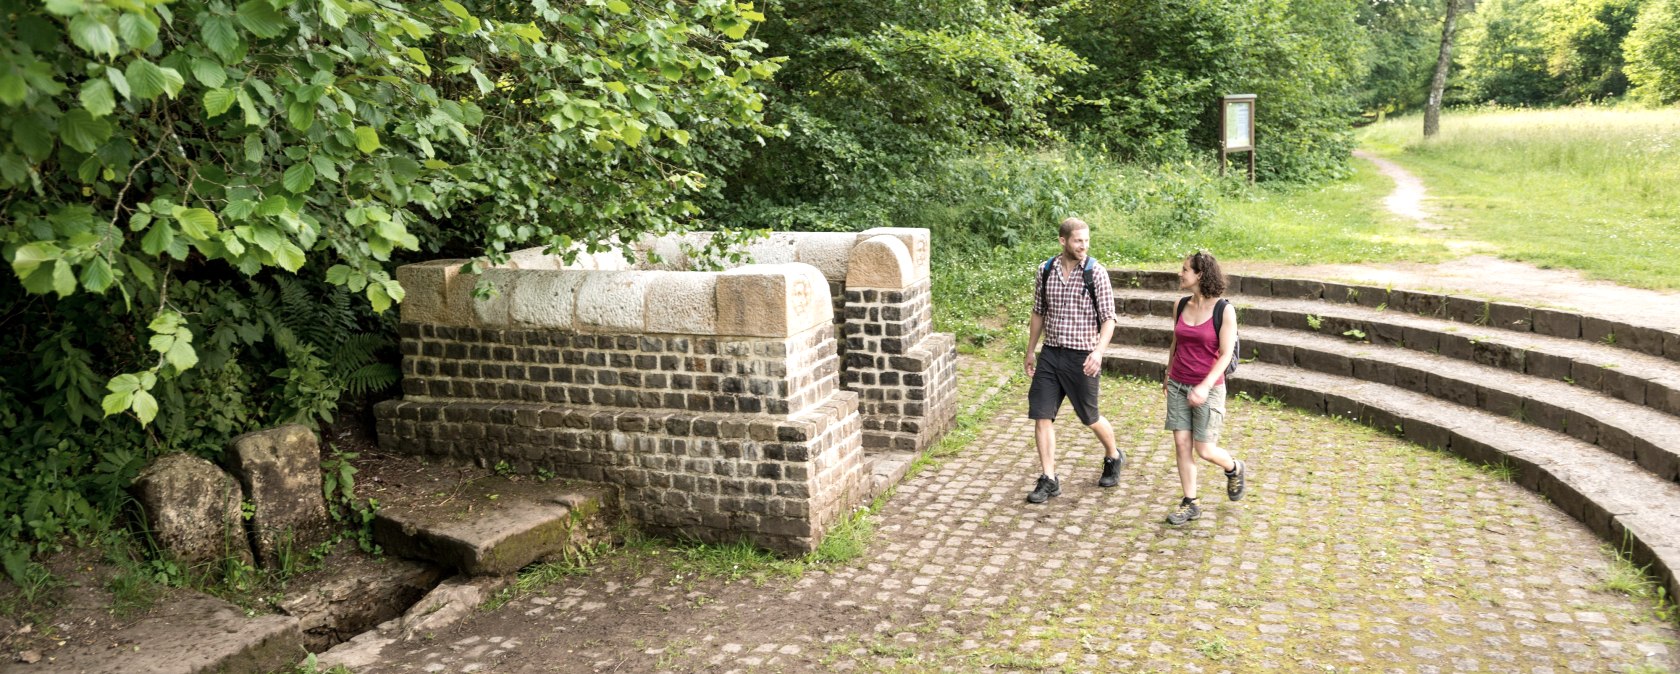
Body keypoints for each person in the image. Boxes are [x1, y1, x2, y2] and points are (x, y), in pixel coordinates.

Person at [1023, 217, 1124, 504]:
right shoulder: (1045, 271)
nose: (1084, 246)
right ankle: (1049, 478)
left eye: (1087, 241)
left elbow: (1109, 319)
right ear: (1063, 241)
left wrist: (1098, 352)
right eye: (1079, 241)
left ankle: (1114, 456)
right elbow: (1038, 312)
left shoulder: (1096, 273)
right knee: (1041, 414)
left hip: (1083, 357)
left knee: (1089, 417)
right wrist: (1031, 350)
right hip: (1051, 354)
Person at [1162, 251, 1248, 525]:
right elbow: (1175, 343)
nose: (1180, 273)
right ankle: (1191, 501)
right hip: (1178, 383)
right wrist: (1167, 373)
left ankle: (1234, 467)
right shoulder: (1180, 304)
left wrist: (1204, 386)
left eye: (1185, 269)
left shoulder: (1224, 310)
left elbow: (1225, 354)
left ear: (1199, 274)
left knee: (1205, 449)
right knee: (1181, 444)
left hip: (1208, 387)